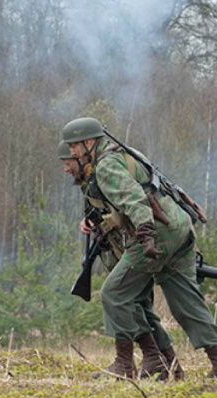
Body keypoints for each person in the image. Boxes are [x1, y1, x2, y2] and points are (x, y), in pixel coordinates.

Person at [60, 118, 217, 381]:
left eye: (73, 148)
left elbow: (136, 201)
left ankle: (126, 363)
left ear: (88, 143)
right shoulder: (126, 155)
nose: (70, 154)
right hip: (178, 229)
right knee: (186, 302)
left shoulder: (106, 165)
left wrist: (145, 235)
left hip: (156, 233)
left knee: (114, 293)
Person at [59, 140, 186, 380]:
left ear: (82, 157)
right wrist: (91, 222)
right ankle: (171, 367)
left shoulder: (106, 172)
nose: (66, 169)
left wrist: (118, 225)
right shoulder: (91, 183)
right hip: (122, 246)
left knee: (117, 295)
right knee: (139, 306)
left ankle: (130, 363)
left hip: (141, 244)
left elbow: (132, 206)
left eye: (69, 163)